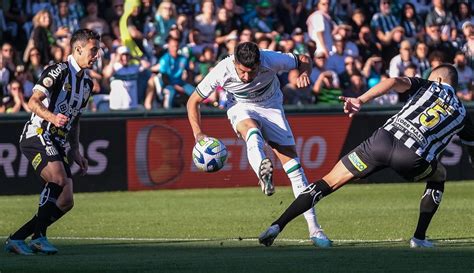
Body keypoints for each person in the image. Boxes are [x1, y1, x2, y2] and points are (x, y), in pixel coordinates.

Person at [259, 64, 474, 248]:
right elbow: (471, 145)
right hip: (412, 158)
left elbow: (392, 81)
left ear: (437, 78)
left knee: (328, 181)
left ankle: (277, 225)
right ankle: (418, 238)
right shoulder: (463, 112)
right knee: (439, 175)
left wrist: (361, 99)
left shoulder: (428, 85)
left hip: (381, 141)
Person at [187, 42, 332, 247]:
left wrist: (303, 73)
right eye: (242, 72)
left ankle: (315, 230)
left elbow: (304, 59)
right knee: (252, 133)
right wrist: (198, 134)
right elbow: (192, 101)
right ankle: (262, 175)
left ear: (259, 62)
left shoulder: (270, 58)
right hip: (240, 106)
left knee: (295, 168)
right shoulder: (222, 70)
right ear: (235, 62)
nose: (247, 77)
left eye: (252, 71)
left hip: (271, 107)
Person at [4, 29, 100, 255]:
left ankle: (17, 238)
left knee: (66, 200)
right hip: (36, 133)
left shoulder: (87, 84)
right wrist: (52, 117)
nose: (97, 55)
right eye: (93, 50)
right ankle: (39, 237)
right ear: (78, 49)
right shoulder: (58, 71)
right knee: (57, 178)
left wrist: (75, 149)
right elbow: (33, 101)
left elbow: (75, 119)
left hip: (57, 141)